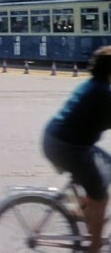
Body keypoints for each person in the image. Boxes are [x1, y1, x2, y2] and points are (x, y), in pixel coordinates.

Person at [42, 46, 111, 253]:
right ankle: (94, 247)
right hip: (68, 147)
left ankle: (81, 210)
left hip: (60, 141)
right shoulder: (102, 94)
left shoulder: (93, 85)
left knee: (106, 165)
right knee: (101, 196)